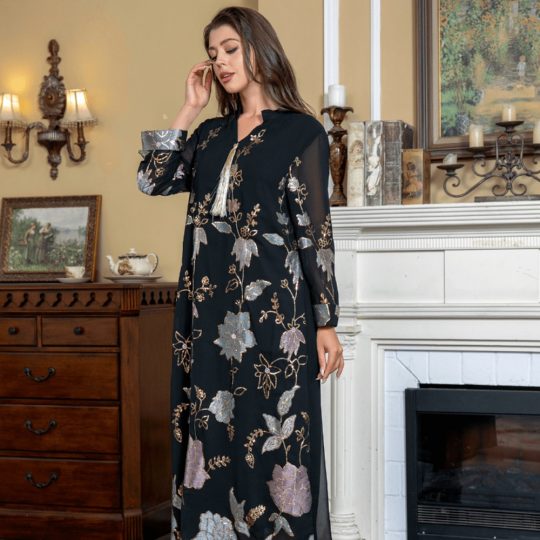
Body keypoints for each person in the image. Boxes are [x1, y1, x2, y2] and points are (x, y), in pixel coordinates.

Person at [137, 7, 343, 539]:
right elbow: (152, 180)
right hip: (207, 313)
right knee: (210, 427)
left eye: (230, 49)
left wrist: (326, 320)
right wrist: (189, 107)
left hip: (276, 313)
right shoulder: (209, 135)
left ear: (258, 47)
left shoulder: (302, 133)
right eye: (213, 54)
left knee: (271, 430)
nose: (221, 62)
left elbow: (314, 233)